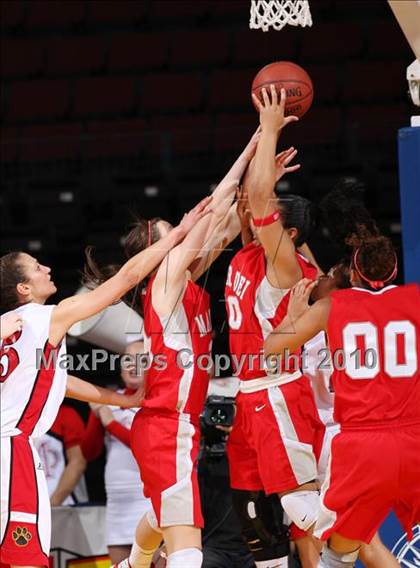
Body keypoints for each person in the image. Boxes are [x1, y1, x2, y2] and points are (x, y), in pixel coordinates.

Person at [0, 201, 208, 568]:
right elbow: (123, 281)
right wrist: (177, 235)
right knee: (27, 561)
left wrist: (122, 401)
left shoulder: (11, 328)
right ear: (24, 288)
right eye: (36, 268)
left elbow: (60, 383)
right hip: (13, 450)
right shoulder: (44, 317)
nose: (46, 268)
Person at [107, 130, 262, 568]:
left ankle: (132, 565)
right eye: (169, 232)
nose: (178, 230)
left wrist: (260, 173)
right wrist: (255, 141)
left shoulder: (186, 281)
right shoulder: (167, 278)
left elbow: (230, 218)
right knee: (188, 554)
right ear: (159, 248)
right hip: (165, 428)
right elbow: (216, 207)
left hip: (174, 426)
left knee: (163, 514)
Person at [264, 229, 420, 568]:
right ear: (393, 269)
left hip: (360, 444)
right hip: (413, 438)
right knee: (359, 545)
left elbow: (271, 353)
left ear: (353, 273)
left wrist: (291, 318)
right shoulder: (415, 301)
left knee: (339, 547)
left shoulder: (330, 308)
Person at [225, 85, 324, 568]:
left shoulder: (286, 269)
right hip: (250, 395)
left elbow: (259, 196)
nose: (256, 213)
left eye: (269, 218)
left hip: (278, 390)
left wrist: (269, 128)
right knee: (257, 522)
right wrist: (267, 162)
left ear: (287, 235)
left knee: (302, 505)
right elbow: (252, 196)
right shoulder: (251, 249)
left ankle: (352, 544)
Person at [81, 340, 151, 564]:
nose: (133, 366)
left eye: (142, 360)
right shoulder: (110, 400)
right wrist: (96, 415)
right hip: (117, 504)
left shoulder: (156, 404)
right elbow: (89, 452)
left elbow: (142, 446)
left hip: (148, 501)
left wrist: (109, 423)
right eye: (128, 359)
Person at [34, 403, 88, 506]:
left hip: (64, 504)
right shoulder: (9, 415)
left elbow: (78, 462)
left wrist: (53, 503)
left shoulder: (66, 414)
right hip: (21, 505)